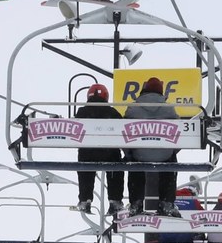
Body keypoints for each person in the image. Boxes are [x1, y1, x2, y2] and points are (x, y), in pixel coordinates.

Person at [125, 77, 180, 215]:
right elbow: (180, 135)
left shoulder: (133, 108)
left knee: (134, 164)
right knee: (170, 163)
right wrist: (172, 151)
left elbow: (123, 134)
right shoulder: (169, 109)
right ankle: (166, 203)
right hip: (164, 155)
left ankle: (136, 203)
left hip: (139, 154)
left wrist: (129, 153)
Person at [74, 83, 124, 214]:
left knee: (84, 167)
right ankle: (115, 200)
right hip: (109, 153)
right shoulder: (112, 112)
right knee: (116, 169)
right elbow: (123, 130)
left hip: (88, 154)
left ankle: (85, 199)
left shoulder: (82, 112)